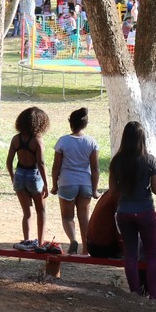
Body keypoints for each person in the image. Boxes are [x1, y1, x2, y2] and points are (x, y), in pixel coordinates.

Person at [109, 121, 156, 299]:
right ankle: (153, 294)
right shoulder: (150, 160)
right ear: (142, 138)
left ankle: (135, 293)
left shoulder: (117, 161)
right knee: (152, 254)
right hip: (145, 210)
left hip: (124, 211)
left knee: (130, 254)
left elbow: (112, 191)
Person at [51, 107, 99, 255]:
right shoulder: (91, 142)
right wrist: (95, 189)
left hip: (67, 182)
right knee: (84, 218)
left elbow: (56, 166)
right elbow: (95, 168)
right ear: (85, 124)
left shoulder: (63, 141)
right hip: (85, 183)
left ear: (70, 123)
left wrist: (54, 185)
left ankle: (73, 240)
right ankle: (86, 250)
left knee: (67, 217)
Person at [6, 107, 53, 253]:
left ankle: (26, 240)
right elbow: (41, 163)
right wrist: (46, 184)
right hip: (34, 176)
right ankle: (40, 242)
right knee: (41, 211)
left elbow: (9, 161)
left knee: (27, 213)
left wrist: (13, 177)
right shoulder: (37, 141)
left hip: (20, 175)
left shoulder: (16, 139)